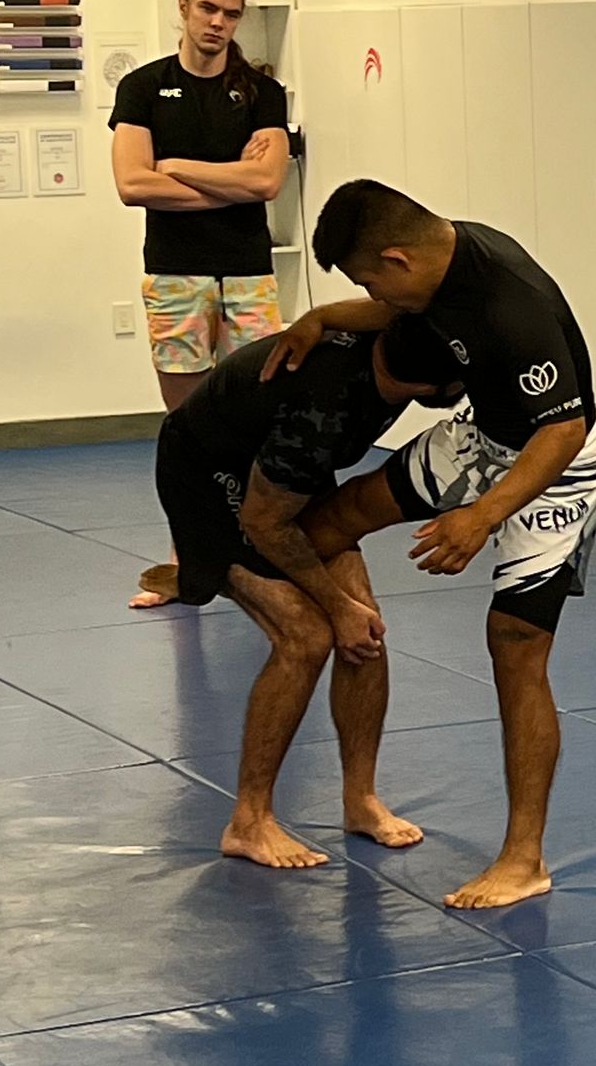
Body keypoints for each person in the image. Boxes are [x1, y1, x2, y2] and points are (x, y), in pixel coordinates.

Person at [267, 181, 596, 914]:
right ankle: (341, 719)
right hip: (488, 438)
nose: (371, 293)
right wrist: (321, 316)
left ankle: (524, 860)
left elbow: (565, 432)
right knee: (334, 518)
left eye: (367, 278)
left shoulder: (507, 302)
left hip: (556, 467)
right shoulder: (430, 266)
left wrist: (480, 519)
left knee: (514, 641)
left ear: (397, 257)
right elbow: (389, 310)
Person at [155, 317, 460, 870]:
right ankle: (248, 822)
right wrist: (336, 605)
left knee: (365, 628)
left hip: (283, 469)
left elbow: (377, 299)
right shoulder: (323, 410)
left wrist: (317, 317)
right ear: (423, 390)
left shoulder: (394, 331)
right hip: (210, 477)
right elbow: (265, 522)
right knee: (307, 635)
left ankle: (361, 801)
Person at [109, 0, 289, 609]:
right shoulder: (143, 88)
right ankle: (189, 563)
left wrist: (179, 168)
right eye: (208, 9)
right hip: (176, 275)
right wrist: (227, 180)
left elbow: (266, 185)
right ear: (184, 8)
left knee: (259, 420)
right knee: (187, 427)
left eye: (230, 14)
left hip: (248, 274)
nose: (217, 23)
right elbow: (132, 185)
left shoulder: (262, 94)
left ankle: (260, 551)